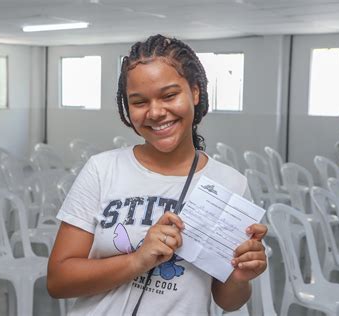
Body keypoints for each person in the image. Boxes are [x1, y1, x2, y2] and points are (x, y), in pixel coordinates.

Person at [47, 34, 268, 315]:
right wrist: (138, 260)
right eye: (139, 102)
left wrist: (240, 274)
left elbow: (228, 301)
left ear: (195, 92)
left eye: (169, 95)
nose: (155, 112)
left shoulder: (230, 184)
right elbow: (58, 281)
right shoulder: (102, 169)